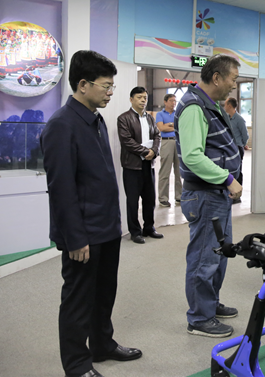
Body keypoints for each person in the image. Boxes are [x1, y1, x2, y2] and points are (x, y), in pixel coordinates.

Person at [40, 50, 142, 377]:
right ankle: (77, 365)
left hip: (106, 228)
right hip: (83, 234)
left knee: (104, 293)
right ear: (83, 85)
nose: (111, 92)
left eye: (112, 86)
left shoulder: (95, 119)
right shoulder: (61, 125)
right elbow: (61, 189)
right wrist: (74, 238)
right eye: (106, 86)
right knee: (78, 299)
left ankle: (102, 344)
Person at [175, 54, 242, 338]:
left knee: (219, 255)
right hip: (205, 196)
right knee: (204, 258)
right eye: (233, 79)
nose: (234, 85)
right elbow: (192, 157)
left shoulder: (208, 105)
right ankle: (200, 318)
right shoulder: (194, 107)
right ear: (216, 78)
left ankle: (209, 304)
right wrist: (228, 178)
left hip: (216, 194)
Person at [117, 86, 163, 244]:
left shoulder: (150, 118)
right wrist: (145, 152)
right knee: (133, 201)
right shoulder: (124, 118)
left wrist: (154, 151)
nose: (143, 100)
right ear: (131, 99)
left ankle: (149, 228)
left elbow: (157, 135)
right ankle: (135, 232)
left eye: (145, 98)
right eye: (139, 97)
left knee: (150, 199)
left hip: (149, 165)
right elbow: (127, 141)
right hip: (132, 166)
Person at [156, 93, 182, 207]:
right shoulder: (160, 114)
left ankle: (179, 197)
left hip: (179, 142)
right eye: (171, 100)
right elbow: (161, 127)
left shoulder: (178, 113)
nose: (173, 103)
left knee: (179, 171)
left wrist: (169, 125)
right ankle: (163, 198)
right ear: (165, 102)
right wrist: (174, 125)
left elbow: (181, 126)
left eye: (175, 101)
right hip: (166, 142)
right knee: (165, 171)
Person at [224, 97, 249, 204]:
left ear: (229, 106)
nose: (224, 106)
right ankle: (230, 193)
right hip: (229, 148)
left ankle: (237, 196)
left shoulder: (239, 119)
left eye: (225, 104)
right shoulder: (227, 118)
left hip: (237, 148)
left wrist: (241, 145)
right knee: (229, 171)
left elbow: (245, 135)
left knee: (237, 171)